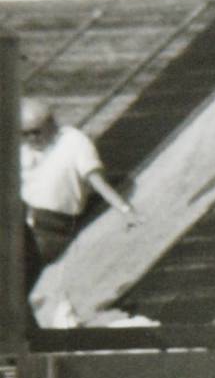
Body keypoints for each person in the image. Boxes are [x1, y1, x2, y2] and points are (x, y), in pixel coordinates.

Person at [18, 98, 140, 287]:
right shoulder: (23, 152)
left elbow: (97, 181)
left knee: (18, 273)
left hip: (51, 227)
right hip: (22, 218)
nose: (32, 139)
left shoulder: (72, 142)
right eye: (25, 134)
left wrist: (125, 210)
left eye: (36, 132)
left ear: (51, 125)